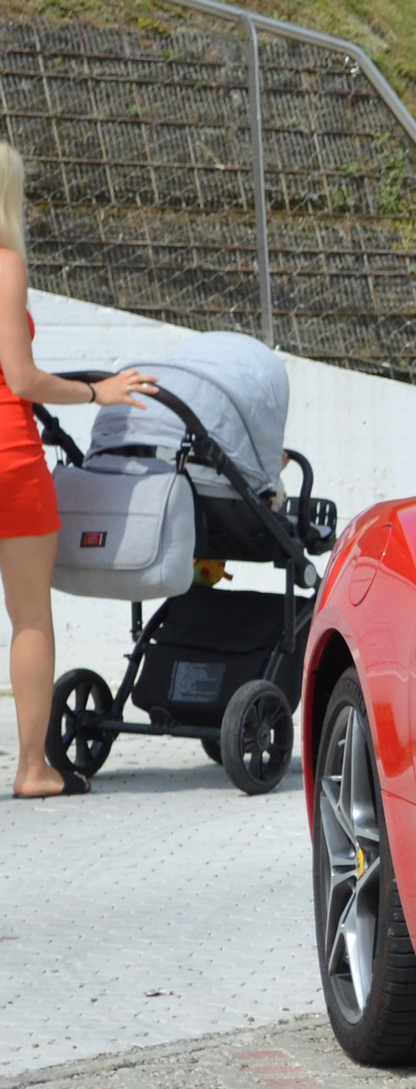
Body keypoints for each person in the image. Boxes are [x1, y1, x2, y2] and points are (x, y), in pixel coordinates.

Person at [0, 142, 154, 796]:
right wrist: (98, 392)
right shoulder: (5, 265)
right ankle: (33, 768)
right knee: (30, 616)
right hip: (9, 455)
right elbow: (23, 376)